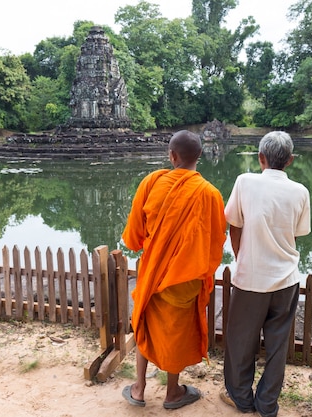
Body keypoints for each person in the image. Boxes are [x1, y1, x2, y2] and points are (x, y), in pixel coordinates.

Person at [121, 129, 227, 410]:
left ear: (171, 155)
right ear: (200, 156)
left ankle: (140, 388)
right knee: (176, 332)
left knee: (143, 321)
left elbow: (133, 237)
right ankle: (172, 393)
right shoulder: (210, 194)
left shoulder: (152, 182)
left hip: (152, 271)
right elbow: (216, 243)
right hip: (184, 278)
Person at [221, 131, 311, 416]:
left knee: (240, 342)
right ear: (291, 161)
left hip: (250, 279)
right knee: (276, 345)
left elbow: (233, 224)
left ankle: (242, 399)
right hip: (286, 280)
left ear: (260, 158)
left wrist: (242, 257)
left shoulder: (245, 182)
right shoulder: (300, 191)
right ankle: (267, 404)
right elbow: (296, 234)